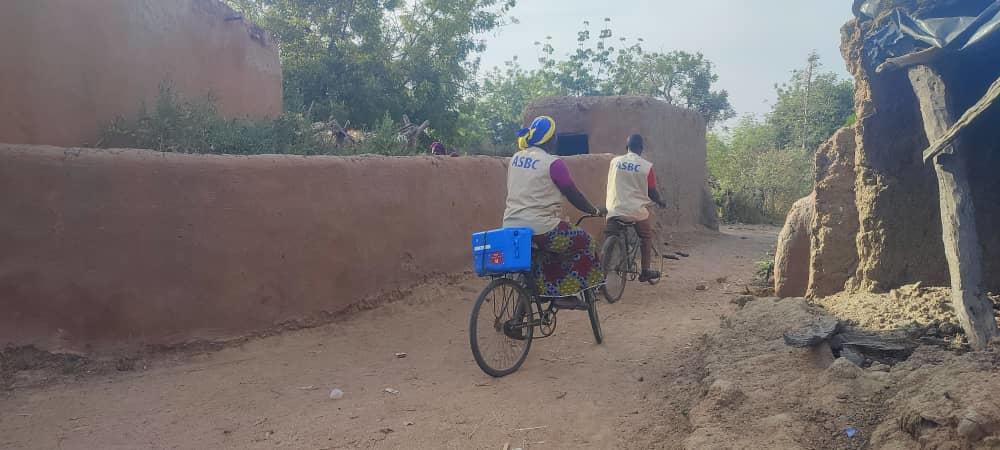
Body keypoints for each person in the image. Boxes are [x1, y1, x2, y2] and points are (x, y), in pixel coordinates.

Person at [502, 116, 606, 309]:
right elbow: (573, 194)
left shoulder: (516, 158)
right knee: (585, 242)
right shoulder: (553, 164)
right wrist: (593, 210)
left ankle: (519, 318)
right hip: (541, 227)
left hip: (511, 225)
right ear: (550, 139)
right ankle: (565, 294)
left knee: (535, 264)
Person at [605, 133, 667, 282]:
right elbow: (652, 192)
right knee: (646, 236)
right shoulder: (646, 167)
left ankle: (602, 277)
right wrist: (660, 201)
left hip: (614, 209)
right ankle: (645, 271)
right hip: (635, 211)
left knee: (608, 238)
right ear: (641, 149)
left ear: (626, 147)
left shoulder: (614, 162)